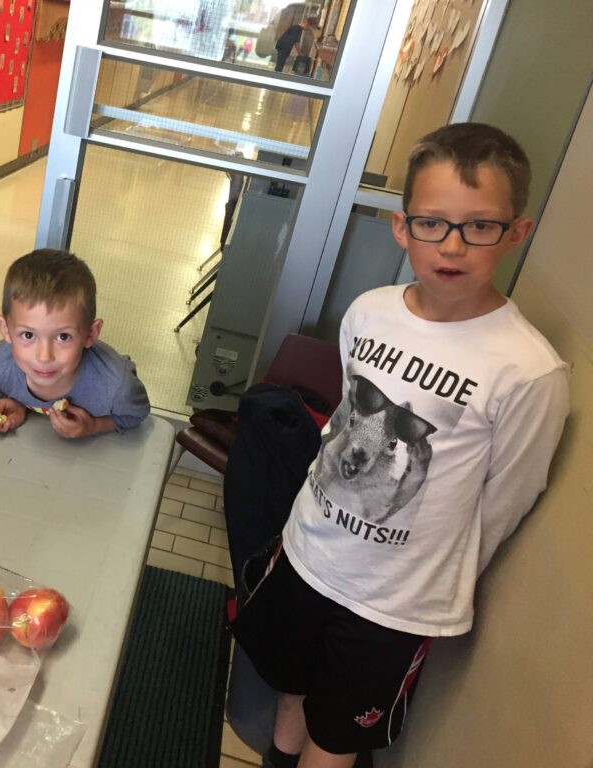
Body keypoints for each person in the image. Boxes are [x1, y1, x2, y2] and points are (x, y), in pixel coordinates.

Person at [238, 123, 570, 768]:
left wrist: (424, 578)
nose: (452, 245)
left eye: (480, 226)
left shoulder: (528, 369)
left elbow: (506, 498)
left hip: (393, 602)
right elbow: (343, 418)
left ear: (516, 233)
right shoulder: (369, 311)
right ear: (401, 226)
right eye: (432, 223)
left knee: (335, 738)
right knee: (292, 693)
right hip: (308, 552)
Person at [0, 249, 150, 438]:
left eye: (63, 337)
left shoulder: (118, 390)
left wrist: (93, 426)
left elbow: (136, 414)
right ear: (6, 330)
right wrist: (19, 402)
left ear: (90, 334)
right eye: (28, 335)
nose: (44, 357)